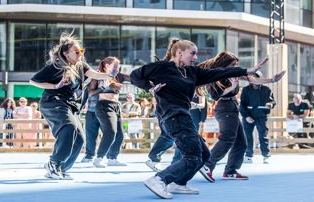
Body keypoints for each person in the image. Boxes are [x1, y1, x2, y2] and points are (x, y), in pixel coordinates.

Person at [130, 38, 266, 199]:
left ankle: (178, 183)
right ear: (179, 52)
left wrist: (246, 70)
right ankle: (159, 179)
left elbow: (220, 72)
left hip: (184, 116)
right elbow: (134, 76)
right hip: (173, 117)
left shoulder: (192, 72)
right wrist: (150, 88)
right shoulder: (161, 68)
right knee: (193, 156)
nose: (195, 58)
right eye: (192, 54)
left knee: (204, 155)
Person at [30, 32, 112, 180]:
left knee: (80, 138)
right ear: (66, 53)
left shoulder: (80, 65)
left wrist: (109, 75)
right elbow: (33, 81)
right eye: (76, 51)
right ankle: (53, 163)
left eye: (81, 51)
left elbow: (94, 74)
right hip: (53, 102)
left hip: (69, 105)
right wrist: (56, 86)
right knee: (69, 128)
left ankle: (61, 168)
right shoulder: (56, 66)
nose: (80, 54)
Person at [199, 52, 285, 183]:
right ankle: (208, 165)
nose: (236, 66)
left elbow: (252, 79)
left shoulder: (234, 74)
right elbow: (215, 96)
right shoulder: (217, 76)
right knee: (227, 138)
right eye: (233, 64)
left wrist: (272, 80)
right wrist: (232, 87)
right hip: (224, 107)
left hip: (232, 108)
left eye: (237, 64)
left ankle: (230, 171)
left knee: (241, 143)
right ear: (225, 65)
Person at [91, 56, 129, 168]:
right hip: (104, 105)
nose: (118, 68)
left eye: (119, 66)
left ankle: (112, 158)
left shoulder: (118, 76)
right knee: (110, 132)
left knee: (120, 134)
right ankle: (98, 158)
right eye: (116, 66)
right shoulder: (98, 76)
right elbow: (90, 93)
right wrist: (103, 87)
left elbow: (133, 79)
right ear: (107, 65)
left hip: (116, 106)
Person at [240, 70, 276, 164]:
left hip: (261, 116)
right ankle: (248, 155)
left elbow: (272, 101)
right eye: (251, 78)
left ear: (260, 79)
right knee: (248, 136)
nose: (253, 80)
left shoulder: (266, 90)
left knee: (263, 136)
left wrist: (270, 105)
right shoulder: (245, 90)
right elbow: (242, 105)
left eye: (256, 77)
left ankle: (266, 155)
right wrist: (246, 116)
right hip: (248, 116)